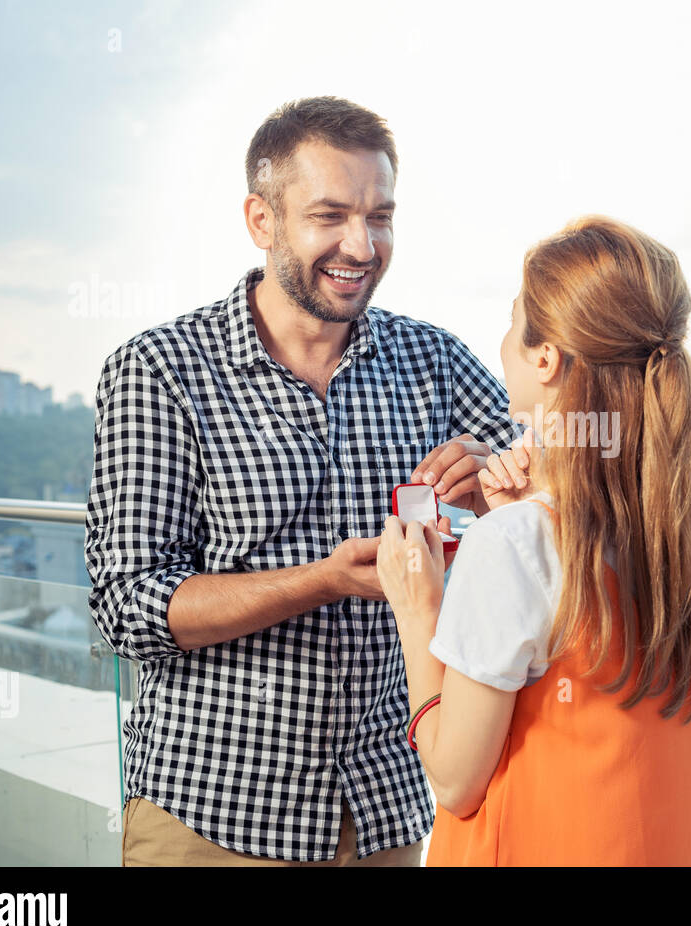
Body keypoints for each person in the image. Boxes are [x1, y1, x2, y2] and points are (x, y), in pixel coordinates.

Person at [85, 96, 521, 866]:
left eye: (380, 216)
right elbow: (129, 607)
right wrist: (321, 581)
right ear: (262, 221)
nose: (363, 244)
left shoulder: (434, 361)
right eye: (331, 215)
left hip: (388, 807)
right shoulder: (160, 370)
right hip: (212, 815)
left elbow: (567, 482)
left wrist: (502, 484)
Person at [377, 214, 691, 865]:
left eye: (511, 321)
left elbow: (454, 779)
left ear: (545, 357)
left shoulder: (514, 545)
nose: (501, 344)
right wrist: (517, 518)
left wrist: (417, 610)